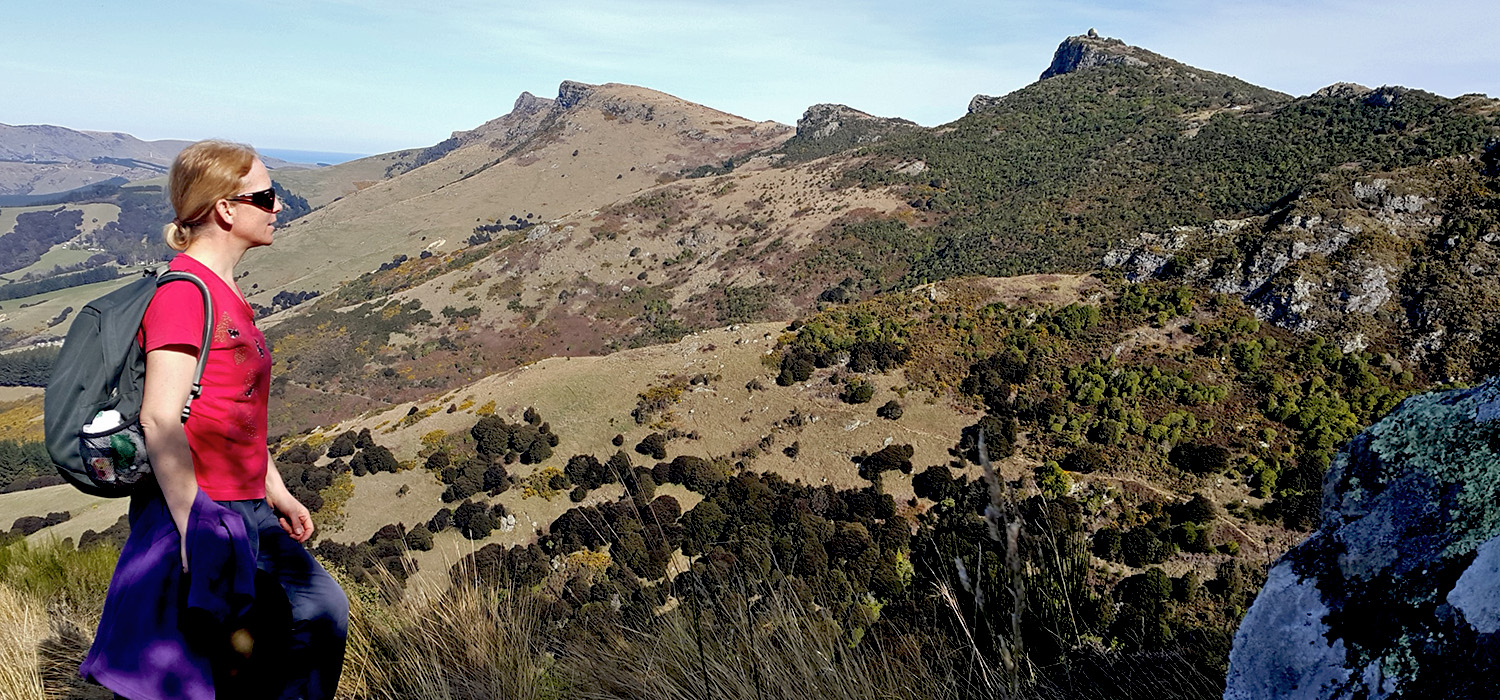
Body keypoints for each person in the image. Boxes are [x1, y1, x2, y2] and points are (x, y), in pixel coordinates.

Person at [81, 140, 349, 700]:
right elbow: (159, 416)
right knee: (195, 668)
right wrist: (191, 522)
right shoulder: (186, 293)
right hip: (203, 506)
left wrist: (278, 491)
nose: (280, 208)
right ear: (226, 209)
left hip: (247, 506)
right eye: (267, 197)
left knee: (314, 613)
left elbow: (238, 411)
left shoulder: (229, 294)